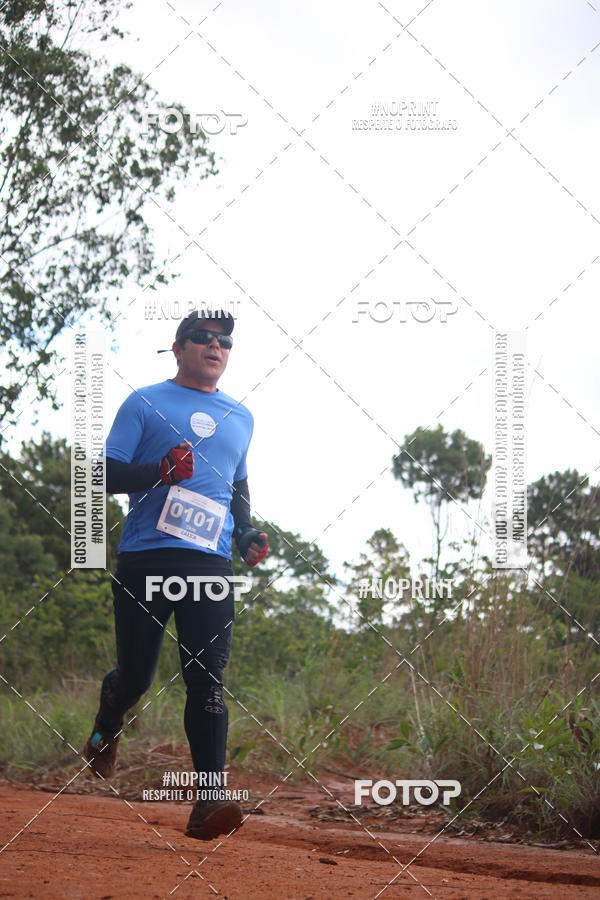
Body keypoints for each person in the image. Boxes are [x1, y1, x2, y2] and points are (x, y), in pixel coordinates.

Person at [83, 308, 268, 840]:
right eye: (203, 338)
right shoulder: (144, 402)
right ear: (179, 347)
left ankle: (209, 800)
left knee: (206, 679)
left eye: (224, 342)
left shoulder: (241, 417)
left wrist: (246, 532)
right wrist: (158, 472)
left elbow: (236, 488)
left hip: (209, 564)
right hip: (146, 559)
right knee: (136, 678)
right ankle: (108, 720)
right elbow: (102, 473)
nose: (215, 347)